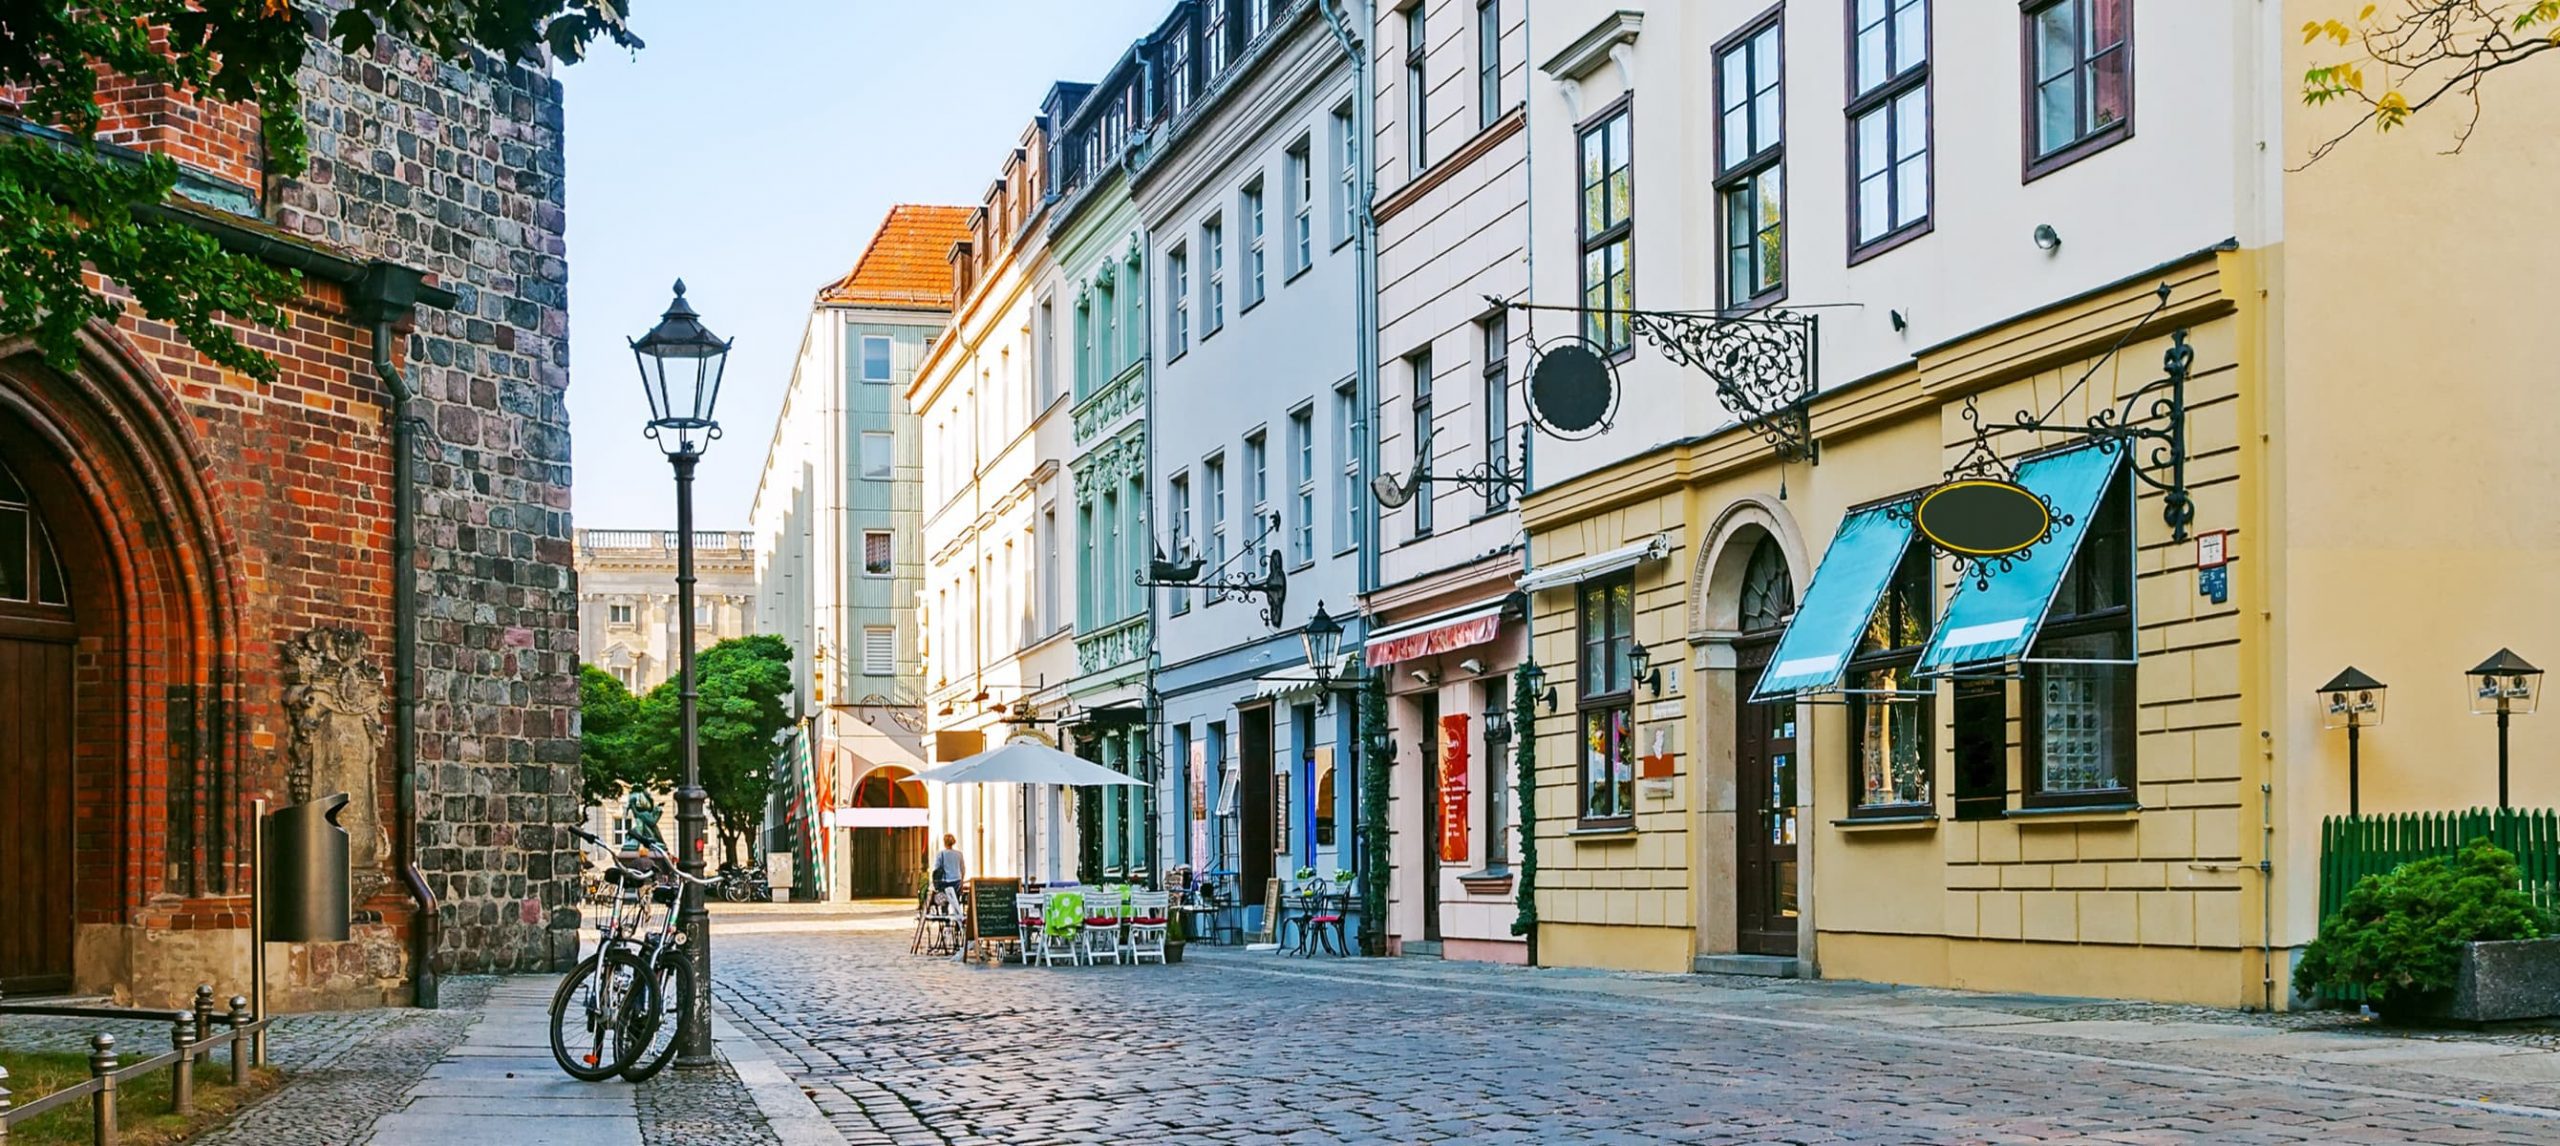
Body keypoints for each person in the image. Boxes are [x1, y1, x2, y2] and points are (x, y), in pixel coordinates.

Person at [930, 834, 966, 910]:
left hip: (944, 882)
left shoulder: (941, 854)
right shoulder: (959, 854)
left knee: (944, 902)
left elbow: (936, 868)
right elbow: (962, 869)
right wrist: (962, 881)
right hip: (957, 881)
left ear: (944, 842)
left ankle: (945, 917)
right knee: (956, 902)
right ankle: (957, 918)